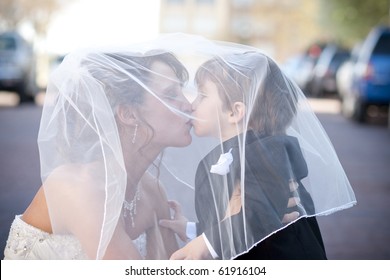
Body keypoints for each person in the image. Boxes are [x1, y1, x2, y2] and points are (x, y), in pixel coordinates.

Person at [160, 48, 356, 259]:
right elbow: (236, 221)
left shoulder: (267, 152)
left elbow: (258, 212)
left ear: (235, 112)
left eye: (203, 96)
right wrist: (192, 230)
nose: (192, 105)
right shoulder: (240, 153)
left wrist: (206, 243)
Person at [3, 48, 193, 259]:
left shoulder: (153, 191)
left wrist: (204, 236)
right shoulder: (76, 187)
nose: (189, 105)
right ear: (129, 114)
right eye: (171, 95)